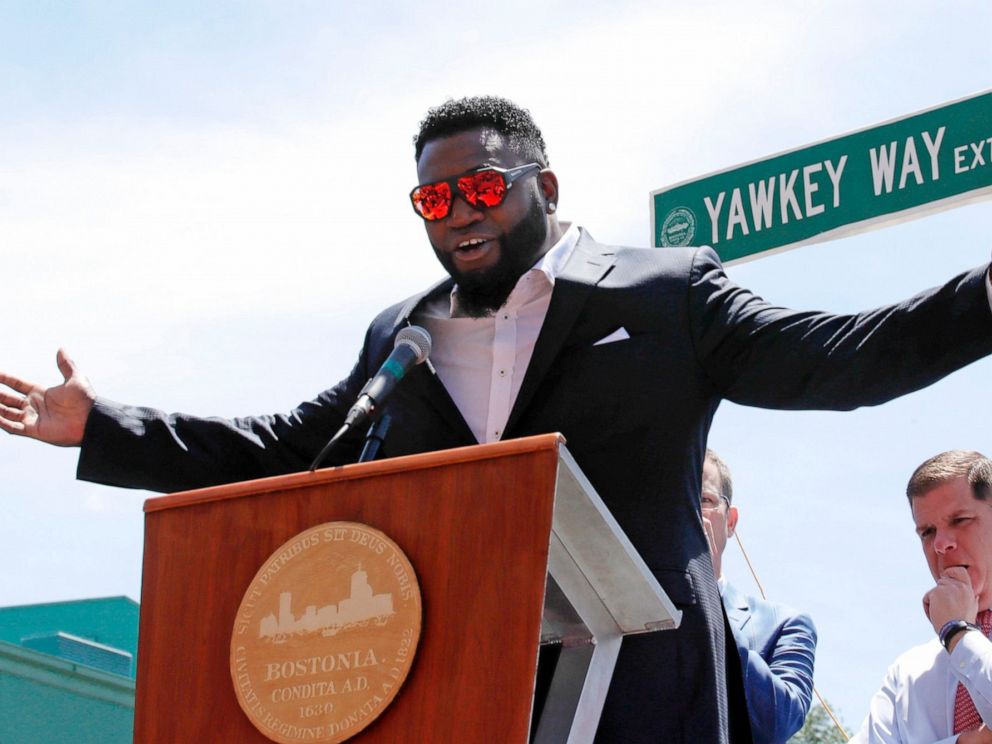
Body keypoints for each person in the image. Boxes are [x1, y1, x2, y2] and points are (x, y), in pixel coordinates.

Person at [2, 95, 992, 743]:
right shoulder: (406, 333)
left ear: (543, 188)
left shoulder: (660, 295)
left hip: (641, 696)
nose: (457, 213)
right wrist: (103, 429)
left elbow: (841, 353)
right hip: (453, 694)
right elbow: (292, 450)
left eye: (479, 187)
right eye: (433, 199)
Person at [854, 450, 992, 744]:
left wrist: (958, 633)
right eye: (927, 532)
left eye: (961, 520)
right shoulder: (907, 674)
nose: (941, 544)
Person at [702, 449, 817, 744]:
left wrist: (704, 595)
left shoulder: (785, 625)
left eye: (704, 500)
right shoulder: (625, 605)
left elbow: (778, 723)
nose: (690, 511)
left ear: (730, 522)